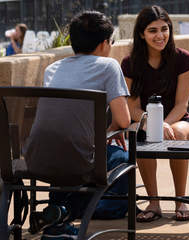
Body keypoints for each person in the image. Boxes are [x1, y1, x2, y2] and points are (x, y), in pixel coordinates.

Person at [23, 11, 130, 240]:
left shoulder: (52, 69)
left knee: (64, 151)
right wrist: (108, 133)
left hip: (36, 158)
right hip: (78, 161)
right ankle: (65, 213)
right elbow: (123, 121)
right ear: (104, 43)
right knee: (120, 157)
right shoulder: (108, 66)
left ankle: (55, 220)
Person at [121, 5, 189, 222]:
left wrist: (163, 124)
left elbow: (182, 105)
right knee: (139, 134)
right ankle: (153, 202)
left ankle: (180, 200)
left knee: (178, 133)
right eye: (153, 30)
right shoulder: (130, 63)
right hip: (144, 121)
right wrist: (151, 123)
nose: (160, 35)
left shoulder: (183, 59)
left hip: (180, 121)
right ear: (141, 34)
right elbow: (132, 108)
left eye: (165, 29)